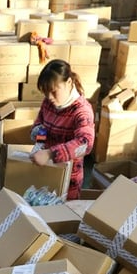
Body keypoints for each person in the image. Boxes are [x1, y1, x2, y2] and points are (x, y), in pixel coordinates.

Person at [31, 59, 95, 200]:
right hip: (45, 171)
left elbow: (85, 143)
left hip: (68, 179)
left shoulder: (81, 111)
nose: (49, 97)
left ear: (69, 83)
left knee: (60, 217)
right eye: (45, 92)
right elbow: (40, 125)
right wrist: (39, 140)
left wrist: (50, 153)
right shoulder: (48, 103)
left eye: (54, 91)